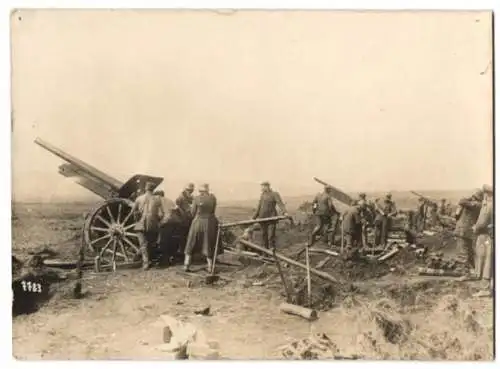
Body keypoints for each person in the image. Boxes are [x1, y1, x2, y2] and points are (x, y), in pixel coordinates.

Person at [183, 184, 220, 272]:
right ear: (207, 191)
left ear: (200, 191)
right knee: (208, 243)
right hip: (210, 223)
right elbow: (213, 211)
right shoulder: (213, 198)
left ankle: (186, 265)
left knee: (191, 242)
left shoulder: (196, 199)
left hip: (198, 222)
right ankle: (210, 266)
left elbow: (192, 213)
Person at [132, 182, 165, 270]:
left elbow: (133, 212)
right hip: (153, 224)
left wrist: (137, 219)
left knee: (143, 244)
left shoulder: (139, 198)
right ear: (153, 189)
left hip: (141, 223)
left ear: (145, 189)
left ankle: (145, 263)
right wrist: (157, 220)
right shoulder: (157, 199)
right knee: (150, 243)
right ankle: (145, 259)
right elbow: (161, 214)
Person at [471, 184, 494, 297]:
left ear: (486, 194)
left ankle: (485, 288)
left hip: (484, 236)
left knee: (484, 260)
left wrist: (475, 228)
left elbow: (482, 222)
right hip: (491, 236)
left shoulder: (488, 205)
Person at [252, 181, 288, 249]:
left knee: (271, 236)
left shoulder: (274, 194)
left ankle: (272, 252)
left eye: (263, 186)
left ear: (267, 186)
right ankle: (265, 252)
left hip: (272, 218)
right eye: (261, 186)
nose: (262, 188)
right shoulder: (262, 195)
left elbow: (280, 203)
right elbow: (259, 207)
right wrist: (253, 217)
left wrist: (285, 212)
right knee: (264, 235)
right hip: (262, 218)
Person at [454, 189, 483, 274]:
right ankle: (475, 270)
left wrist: (470, 197)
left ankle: (464, 272)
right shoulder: (478, 205)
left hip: (464, 231)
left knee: (462, 252)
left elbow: (461, 201)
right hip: (468, 232)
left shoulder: (477, 205)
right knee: (469, 252)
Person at [175, 183, 195, 254]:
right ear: (186, 190)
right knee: (183, 237)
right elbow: (177, 206)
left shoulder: (190, 197)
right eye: (189, 190)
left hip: (189, 219)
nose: (190, 191)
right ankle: (182, 252)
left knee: (187, 236)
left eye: (191, 190)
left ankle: (185, 252)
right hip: (183, 220)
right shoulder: (181, 197)